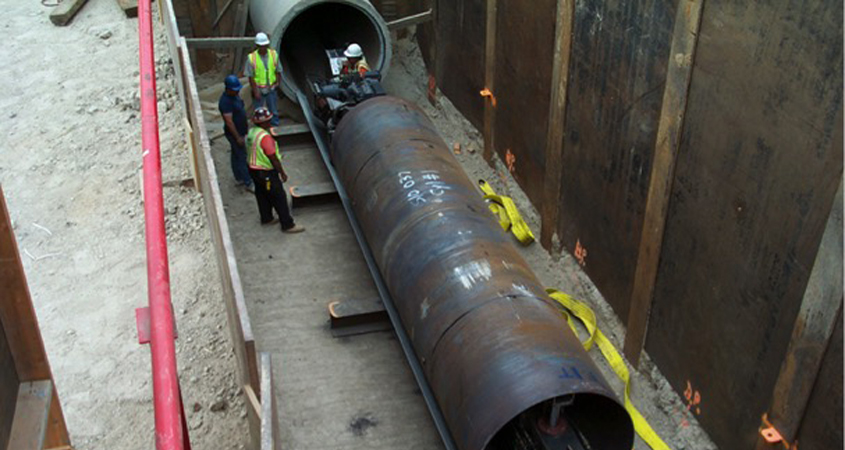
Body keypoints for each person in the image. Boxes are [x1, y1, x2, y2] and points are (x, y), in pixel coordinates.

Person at [246, 107, 304, 234]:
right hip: (265, 173)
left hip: (253, 170)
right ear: (263, 122)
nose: (270, 122)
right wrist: (282, 173)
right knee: (279, 197)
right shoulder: (265, 137)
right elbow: (273, 157)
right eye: (268, 120)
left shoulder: (252, 132)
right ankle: (288, 225)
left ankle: (266, 218)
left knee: (262, 194)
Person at [218, 75, 253, 192]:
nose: (237, 91)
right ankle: (248, 181)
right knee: (242, 156)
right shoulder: (225, 102)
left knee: (236, 154)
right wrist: (237, 137)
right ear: (228, 89)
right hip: (235, 134)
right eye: (235, 89)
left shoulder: (235, 96)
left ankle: (238, 177)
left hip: (241, 130)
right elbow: (229, 122)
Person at [245, 32, 282, 126]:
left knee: (273, 110)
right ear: (257, 46)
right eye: (261, 46)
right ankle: (260, 129)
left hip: (271, 88)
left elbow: (278, 70)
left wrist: (277, 83)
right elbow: (251, 76)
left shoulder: (273, 54)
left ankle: (274, 127)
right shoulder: (251, 58)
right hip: (259, 89)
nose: (263, 48)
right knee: (259, 112)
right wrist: (255, 90)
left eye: (265, 46)